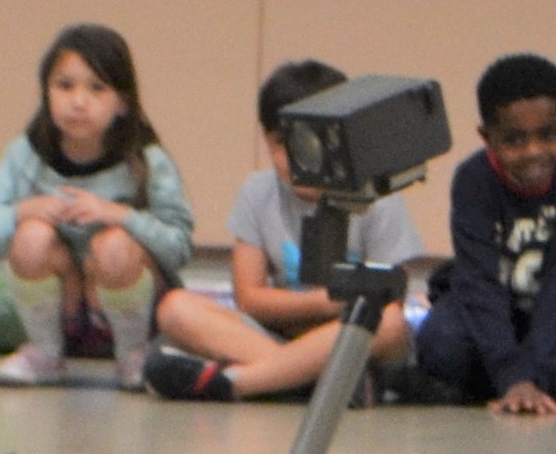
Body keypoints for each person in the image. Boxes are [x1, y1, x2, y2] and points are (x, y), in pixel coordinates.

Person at [143, 59, 427, 402]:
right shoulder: (257, 191)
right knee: (175, 308)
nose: (295, 157)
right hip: (277, 335)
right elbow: (249, 298)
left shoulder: (378, 197)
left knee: (390, 322)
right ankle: (316, 381)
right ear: (265, 139)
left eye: (310, 142)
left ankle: (239, 382)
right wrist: (327, 302)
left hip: (353, 338)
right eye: (281, 143)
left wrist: (317, 309)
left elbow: (387, 299)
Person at [0, 25, 195, 390]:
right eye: (64, 86)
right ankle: (45, 352)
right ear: (45, 93)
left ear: (123, 102)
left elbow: (179, 247)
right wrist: (21, 211)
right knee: (32, 236)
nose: (78, 102)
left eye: (97, 88)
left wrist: (120, 216)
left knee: (113, 245)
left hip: (136, 309)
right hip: (66, 312)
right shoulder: (25, 155)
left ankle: (132, 355)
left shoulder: (147, 160)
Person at [414, 53, 556, 417]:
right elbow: (477, 282)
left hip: (555, 313)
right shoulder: (473, 179)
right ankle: (511, 385)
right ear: (486, 137)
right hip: (486, 312)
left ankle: (520, 384)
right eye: (514, 140)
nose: (534, 151)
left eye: (548, 135)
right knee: (440, 347)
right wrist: (512, 375)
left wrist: (528, 373)